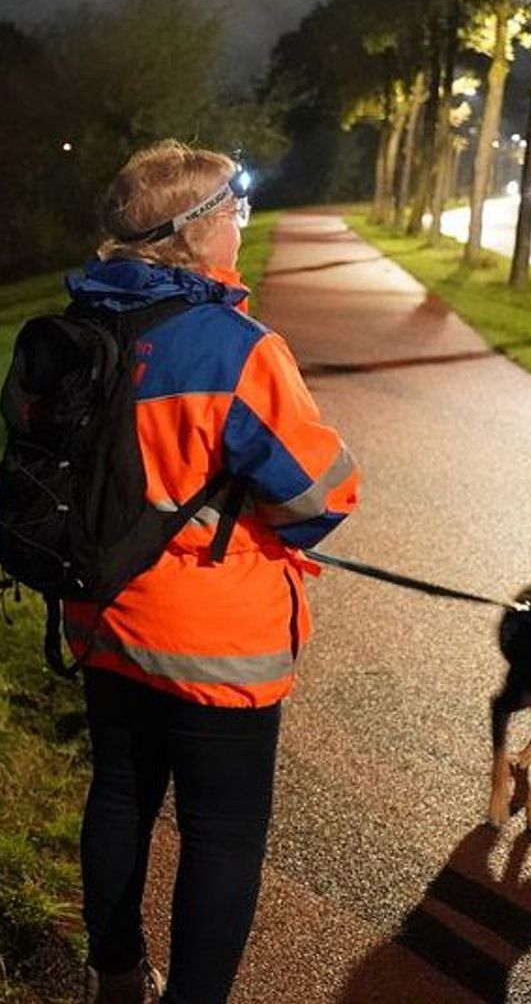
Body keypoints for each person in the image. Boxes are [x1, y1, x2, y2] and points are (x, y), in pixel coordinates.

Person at [65, 141, 360, 1004]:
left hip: (103, 616)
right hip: (214, 644)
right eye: (233, 209)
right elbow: (316, 498)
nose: (242, 221)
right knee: (221, 834)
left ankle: (115, 978)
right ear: (191, 235)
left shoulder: (74, 332)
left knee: (118, 796)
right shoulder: (236, 348)